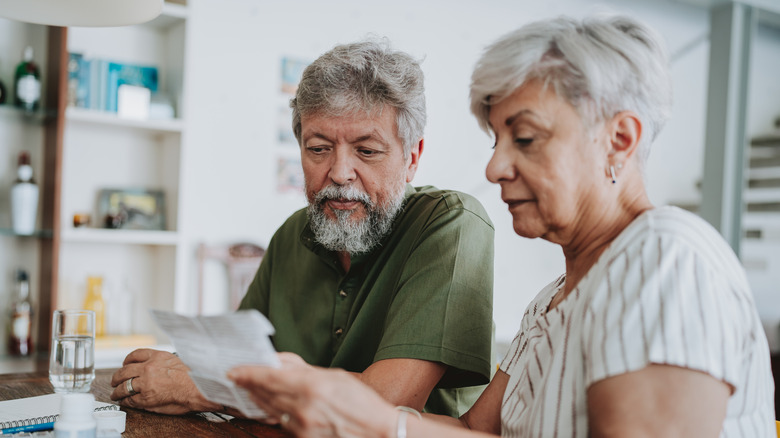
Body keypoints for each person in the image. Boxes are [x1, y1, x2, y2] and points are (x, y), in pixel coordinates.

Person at [226, 14, 776, 437]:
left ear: (620, 140)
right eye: (497, 141)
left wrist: (373, 419)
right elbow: (472, 432)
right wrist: (357, 413)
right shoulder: (552, 300)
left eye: (527, 139)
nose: (494, 168)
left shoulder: (666, 261)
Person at [109, 39, 496, 418]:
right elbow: (234, 359)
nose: (340, 173)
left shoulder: (452, 223)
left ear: (412, 158)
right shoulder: (294, 232)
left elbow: (388, 401)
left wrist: (205, 387)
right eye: (318, 148)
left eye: (367, 150)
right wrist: (179, 372)